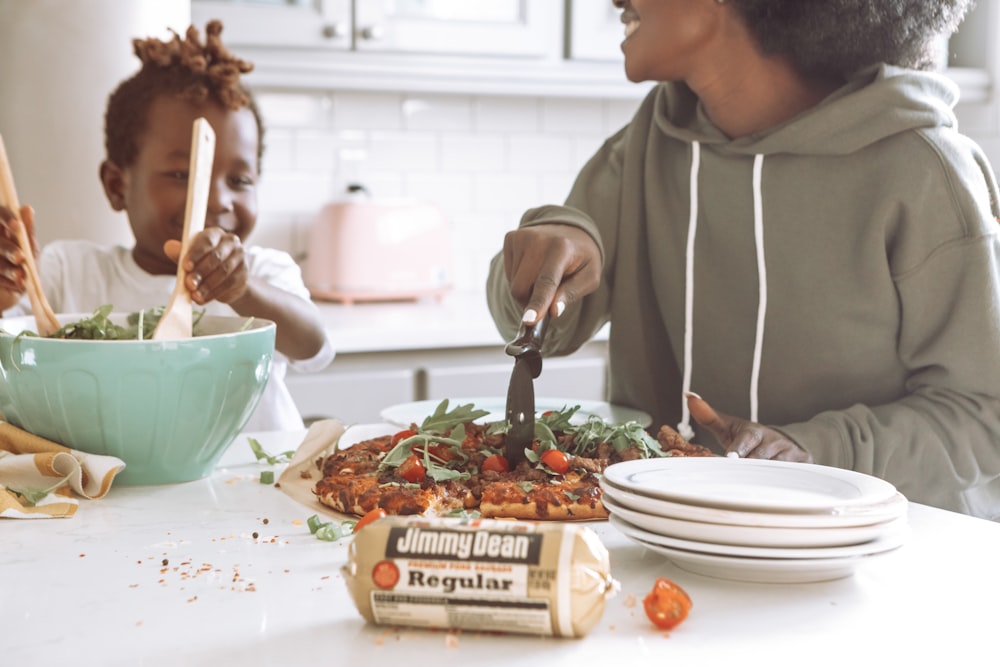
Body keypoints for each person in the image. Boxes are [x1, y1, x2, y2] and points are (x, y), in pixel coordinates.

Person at [486, 0, 1000, 518]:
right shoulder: (647, 144)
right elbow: (548, 325)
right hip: (683, 543)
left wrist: (815, 452)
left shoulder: (926, 172)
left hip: (889, 562)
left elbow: (983, 415)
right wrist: (547, 252)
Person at [0, 20, 334, 432]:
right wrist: (6, 290)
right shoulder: (69, 271)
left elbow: (313, 347)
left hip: (253, 484)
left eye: (240, 180)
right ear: (118, 185)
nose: (218, 200)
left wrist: (242, 291)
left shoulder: (263, 272)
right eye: (182, 175)